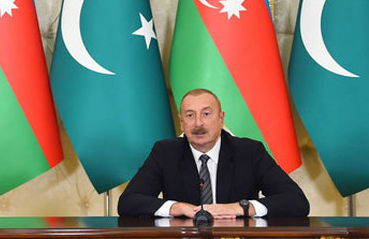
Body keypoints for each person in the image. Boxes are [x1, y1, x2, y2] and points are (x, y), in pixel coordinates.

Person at [118, 88, 309, 219]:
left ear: (221, 118)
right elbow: (127, 202)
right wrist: (175, 207)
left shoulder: (249, 152)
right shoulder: (165, 152)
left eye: (206, 114)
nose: (198, 123)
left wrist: (242, 207)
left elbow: (297, 202)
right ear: (181, 122)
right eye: (190, 115)